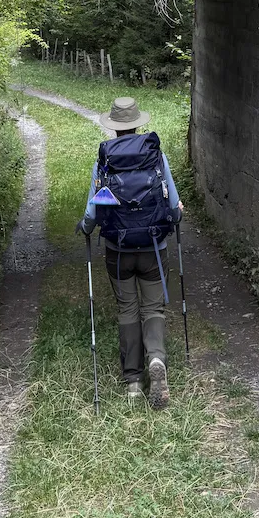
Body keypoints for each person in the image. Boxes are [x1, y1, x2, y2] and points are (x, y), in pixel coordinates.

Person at [75, 95, 182, 409]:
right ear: (137, 124)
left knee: (127, 309)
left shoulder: (105, 161)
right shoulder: (156, 157)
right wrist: (177, 216)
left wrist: (84, 228)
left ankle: (133, 382)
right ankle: (157, 359)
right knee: (153, 309)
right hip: (153, 246)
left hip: (118, 251)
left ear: (114, 128)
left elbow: (95, 212)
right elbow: (172, 205)